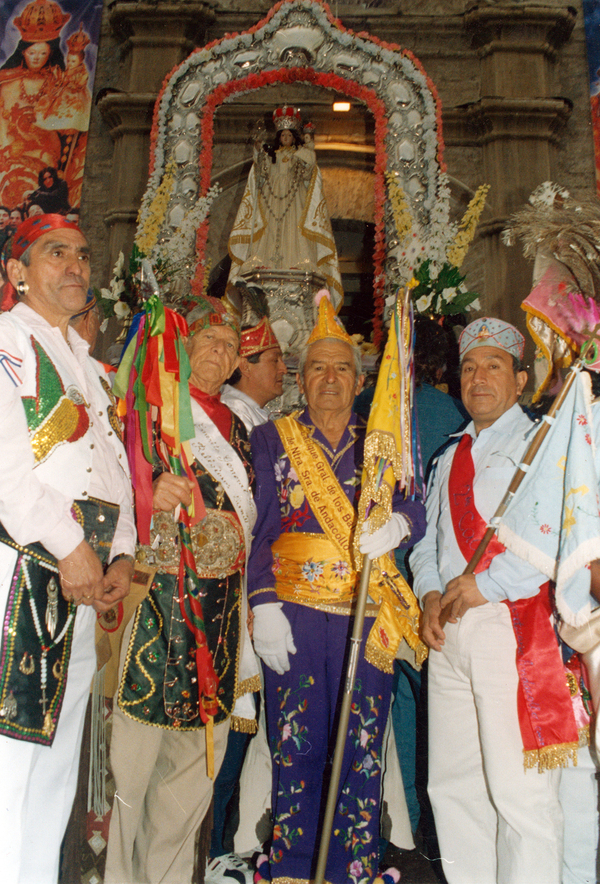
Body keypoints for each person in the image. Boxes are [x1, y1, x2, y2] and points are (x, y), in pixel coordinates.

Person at [247, 293, 427, 884]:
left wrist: (402, 521)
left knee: (362, 744)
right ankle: (294, 868)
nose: (330, 378)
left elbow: (414, 501)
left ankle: (355, 868)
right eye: (318, 367)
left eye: (342, 368)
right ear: (300, 379)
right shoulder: (272, 438)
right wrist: (262, 603)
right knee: (295, 745)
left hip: (364, 612)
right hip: (294, 614)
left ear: (359, 379)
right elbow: (260, 528)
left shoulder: (381, 440)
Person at [410, 316, 572, 884]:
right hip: (449, 633)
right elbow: (425, 544)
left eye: (494, 366)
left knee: (518, 792)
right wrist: (429, 593)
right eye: (470, 367)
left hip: (510, 628)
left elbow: (554, 537)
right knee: (453, 786)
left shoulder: (542, 444)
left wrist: (486, 584)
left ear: (521, 379)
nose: (479, 377)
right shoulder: (447, 455)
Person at [0, 212, 136, 884]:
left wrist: (124, 553)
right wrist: (71, 546)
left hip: (82, 578)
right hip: (23, 567)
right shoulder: (6, 343)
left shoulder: (86, 363)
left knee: (55, 761)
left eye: (82, 254)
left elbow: (114, 466)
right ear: (17, 273)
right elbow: (5, 470)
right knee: (10, 761)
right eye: (56, 254)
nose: (76, 266)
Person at [105, 298, 260, 884]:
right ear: (184, 347)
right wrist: (149, 491)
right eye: (209, 340)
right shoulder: (149, 414)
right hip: (156, 615)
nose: (220, 352)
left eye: (230, 344)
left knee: (190, 782)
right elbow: (109, 496)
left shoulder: (244, 431)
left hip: (218, 622)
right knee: (129, 776)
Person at [206, 316, 287, 884]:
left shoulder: (251, 417)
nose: (282, 370)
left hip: (249, 586)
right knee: (229, 717)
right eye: (274, 359)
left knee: (242, 718)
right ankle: (211, 845)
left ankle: (221, 842)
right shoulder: (231, 417)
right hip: (225, 590)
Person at [227, 106, 342, 306]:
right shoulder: (271, 156)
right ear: (279, 137)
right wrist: (258, 148)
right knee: (269, 230)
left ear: (293, 137)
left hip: (294, 202)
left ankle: (298, 262)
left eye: (290, 135)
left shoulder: (300, 155)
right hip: (272, 202)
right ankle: (265, 262)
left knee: (295, 230)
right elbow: (260, 175)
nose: (286, 138)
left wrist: (308, 148)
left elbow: (310, 174)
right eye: (283, 135)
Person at [0, 0, 68, 209]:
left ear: (51, 54)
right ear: (23, 51)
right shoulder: (6, 82)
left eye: (43, 53)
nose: (36, 58)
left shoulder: (60, 83)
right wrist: (9, 148)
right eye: (32, 53)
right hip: (10, 150)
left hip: (45, 152)